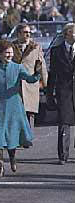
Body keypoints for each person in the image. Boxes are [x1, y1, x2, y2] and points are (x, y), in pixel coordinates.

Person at [0, 40, 40, 178]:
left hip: (14, 107)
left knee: (12, 137)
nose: (9, 55)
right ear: (0, 54)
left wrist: (36, 73)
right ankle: (0, 167)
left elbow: (30, 79)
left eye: (11, 52)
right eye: (7, 52)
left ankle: (12, 158)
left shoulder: (18, 68)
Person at [46, 23, 75, 165]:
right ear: (66, 34)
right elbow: (53, 74)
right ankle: (63, 155)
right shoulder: (56, 51)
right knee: (64, 123)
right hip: (64, 92)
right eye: (73, 32)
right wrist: (49, 94)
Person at [11, 23, 48, 135]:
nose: (28, 35)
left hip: (31, 83)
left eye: (29, 33)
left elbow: (41, 65)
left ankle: (28, 136)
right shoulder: (11, 47)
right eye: (25, 32)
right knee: (17, 112)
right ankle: (17, 137)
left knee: (30, 112)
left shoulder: (36, 47)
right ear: (18, 34)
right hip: (15, 85)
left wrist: (45, 83)